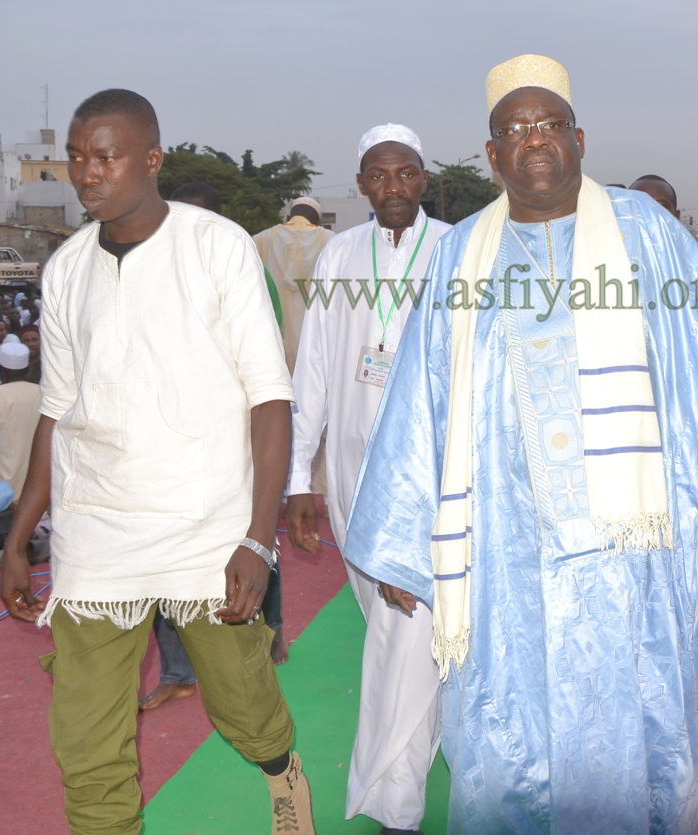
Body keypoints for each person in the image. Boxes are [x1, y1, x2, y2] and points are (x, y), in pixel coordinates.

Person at [344, 54, 698, 833]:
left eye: (549, 124)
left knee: (635, 740)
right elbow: (419, 399)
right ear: (491, 155)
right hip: (503, 561)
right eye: (513, 130)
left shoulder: (646, 234)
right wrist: (403, 542)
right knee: (505, 742)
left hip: (634, 563)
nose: (533, 141)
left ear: (579, 139)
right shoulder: (460, 254)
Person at [0, 89, 314, 835]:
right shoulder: (68, 268)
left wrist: (256, 538)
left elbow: (270, 398)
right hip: (95, 531)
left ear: (150, 159)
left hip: (204, 523)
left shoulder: (216, 245)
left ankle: (280, 766)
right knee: (85, 730)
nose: (86, 172)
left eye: (104, 155)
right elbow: (56, 413)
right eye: (76, 156)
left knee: (241, 698)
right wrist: (19, 535)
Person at [286, 123, 450, 835]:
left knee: (404, 624)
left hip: (434, 467)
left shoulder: (456, 249)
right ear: (359, 185)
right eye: (378, 175)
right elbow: (315, 367)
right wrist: (300, 475)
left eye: (405, 173)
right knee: (392, 620)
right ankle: (419, 768)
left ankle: (395, 798)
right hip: (352, 469)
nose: (392, 186)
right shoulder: (339, 255)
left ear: (422, 179)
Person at [139, 182, 288, 713]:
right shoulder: (150, 272)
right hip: (166, 454)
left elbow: (267, 374)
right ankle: (178, 671)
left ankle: (269, 631)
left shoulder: (246, 268)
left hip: (240, 440)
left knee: (255, 540)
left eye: (204, 218)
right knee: (160, 570)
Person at [254, 195, 335, 373]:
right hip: (315, 332)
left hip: (275, 329)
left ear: (288, 217)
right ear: (316, 220)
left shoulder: (263, 238)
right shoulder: (332, 241)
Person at [0, 342, 40, 500]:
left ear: (0, 370)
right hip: (40, 493)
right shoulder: (45, 395)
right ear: (29, 369)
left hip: (3, 496)